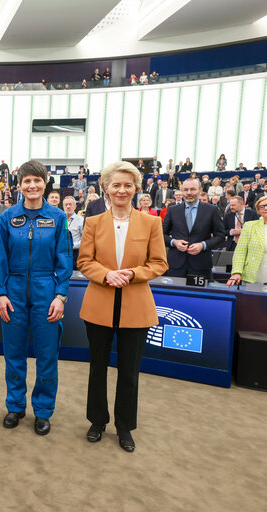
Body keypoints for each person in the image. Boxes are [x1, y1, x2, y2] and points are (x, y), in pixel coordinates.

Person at [77, 161, 168, 452]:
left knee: (129, 370)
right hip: (98, 305)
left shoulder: (151, 223)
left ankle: (125, 425)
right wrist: (106, 274)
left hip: (136, 307)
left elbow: (159, 263)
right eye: (116, 184)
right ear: (105, 188)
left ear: (136, 189)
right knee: (97, 368)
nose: (122, 190)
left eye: (128, 185)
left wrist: (132, 273)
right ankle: (97, 420)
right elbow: (84, 262)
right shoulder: (93, 223)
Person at [0, 160, 72, 436]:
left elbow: (64, 259)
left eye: (37, 180)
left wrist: (60, 296)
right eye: (26, 181)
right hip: (13, 291)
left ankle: (43, 410)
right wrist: (0, 294)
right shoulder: (7, 218)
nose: (32, 185)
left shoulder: (58, 218)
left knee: (47, 356)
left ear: (45, 181)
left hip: (45, 291)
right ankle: (15, 406)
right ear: (20, 185)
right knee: (13, 355)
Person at [162, 178, 227, 279]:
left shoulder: (212, 210)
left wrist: (203, 245)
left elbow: (221, 235)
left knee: (200, 295)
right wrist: (174, 242)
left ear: (200, 190)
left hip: (201, 266)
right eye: (186, 189)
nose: (189, 193)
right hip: (175, 265)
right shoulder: (172, 210)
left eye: (193, 189)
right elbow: (161, 235)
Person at [63, 195, 83, 270]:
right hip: (61, 253)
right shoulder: (60, 219)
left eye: (70, 204)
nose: (68, 207)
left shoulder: (81, 220)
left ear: (75, 206)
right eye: (66, 205)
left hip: (75, 254)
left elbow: (85, 239)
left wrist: (72, 246)